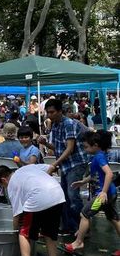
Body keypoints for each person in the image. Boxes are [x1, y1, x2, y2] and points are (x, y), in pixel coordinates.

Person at [0, 164, 65, 256]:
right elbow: (51, 167)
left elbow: (17, 215)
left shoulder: (12, 185)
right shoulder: (26, 168)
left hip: (37, 198)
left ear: (3, 180)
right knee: (49, 233)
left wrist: (14, 231)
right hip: (57, 195)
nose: (4, 188)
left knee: (24, 232)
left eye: (2, 185)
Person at [65, 131, 120, 256]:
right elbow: (96, 175)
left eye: (86, 147)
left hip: (104, 195)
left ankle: (78, 242)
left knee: (84, 214)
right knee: (114, 219)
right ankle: (79, 239)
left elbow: (109, 174)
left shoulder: (99, 157)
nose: (85, 150)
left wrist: (103, 192)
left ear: (95, 145)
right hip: (110, 193)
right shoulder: (99, 156)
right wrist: (83, 181)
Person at [38, 98, 89, 235]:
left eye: (52, 112)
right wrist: (45, 143)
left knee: (73, 196)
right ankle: (69, 226)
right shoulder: (55, 125)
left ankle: (82, 229)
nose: (49, 115)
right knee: (64, 196)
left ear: (60, 111)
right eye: (48, 112)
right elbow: (58, 148)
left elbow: (69, 149)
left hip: (76, 163)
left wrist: (54, 164)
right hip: (66, 165)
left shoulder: (68, 124)